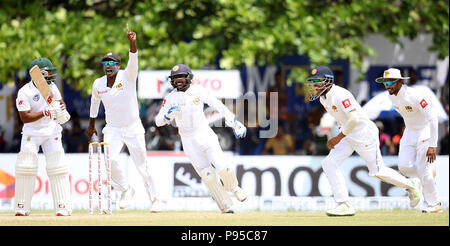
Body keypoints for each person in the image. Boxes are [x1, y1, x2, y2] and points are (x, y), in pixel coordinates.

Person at [306, 65, 420, 216]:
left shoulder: (341, 94)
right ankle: (344, 204)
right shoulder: (323, 99)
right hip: (347, 134)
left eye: (317, 81)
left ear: (328, 81)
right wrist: (338, 134)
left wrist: (338, 138)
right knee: (329, 163)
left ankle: (411, 184)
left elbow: (353, 119)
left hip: (363, 134)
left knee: (377, 171)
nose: (314, 85)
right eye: (313, 82)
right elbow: (343, 119)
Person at [86, 24, 161, 212]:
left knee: (143, 166)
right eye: (105, 63)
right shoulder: (98, 84)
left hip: (134, 127)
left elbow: (133, 61)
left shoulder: (128, 76)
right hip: (112, 129)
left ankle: (156, 200)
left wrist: (133, 44)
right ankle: (126, 189)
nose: (108, 66)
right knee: (109, 159)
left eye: (112, 63)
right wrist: (91, 125)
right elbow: (95, 103)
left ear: (118, 66)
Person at [155, 64, 247, 213]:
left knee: (224, 167)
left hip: (204, 133)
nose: (178, 81)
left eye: (181, 77)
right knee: (208, 175)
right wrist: (167, 116)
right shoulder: (171, 98)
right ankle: (226, 206)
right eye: (175, 78)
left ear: (189, 78)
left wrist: (235, 123)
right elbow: (158, 121)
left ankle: (235, 188)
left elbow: (218, 105)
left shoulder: (199, 91)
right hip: (187, 140)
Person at [375, 68, 443, 213]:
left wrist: (433, 144)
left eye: (390, 82)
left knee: (423, 170)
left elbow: (433, 118)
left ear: (400, 81)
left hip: (424, 131)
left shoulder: (415, 95)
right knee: (404, 167)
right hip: (409, 132)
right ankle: (429, 174)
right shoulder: (391, 96)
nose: (387, 86)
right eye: (385, 82)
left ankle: (435, 203)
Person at [14, 57, 72, 216]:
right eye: (47, 72)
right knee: (26, 167)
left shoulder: (52, 87)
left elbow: (60, 102)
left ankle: (63, 206)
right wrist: (45, 112)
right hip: (31, 133)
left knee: (58, 166)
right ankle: (21, 206)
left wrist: (60, 109)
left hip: (51, 131)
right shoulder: (25, 92)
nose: (51, 75)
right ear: (37, 75)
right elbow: (24, 117)